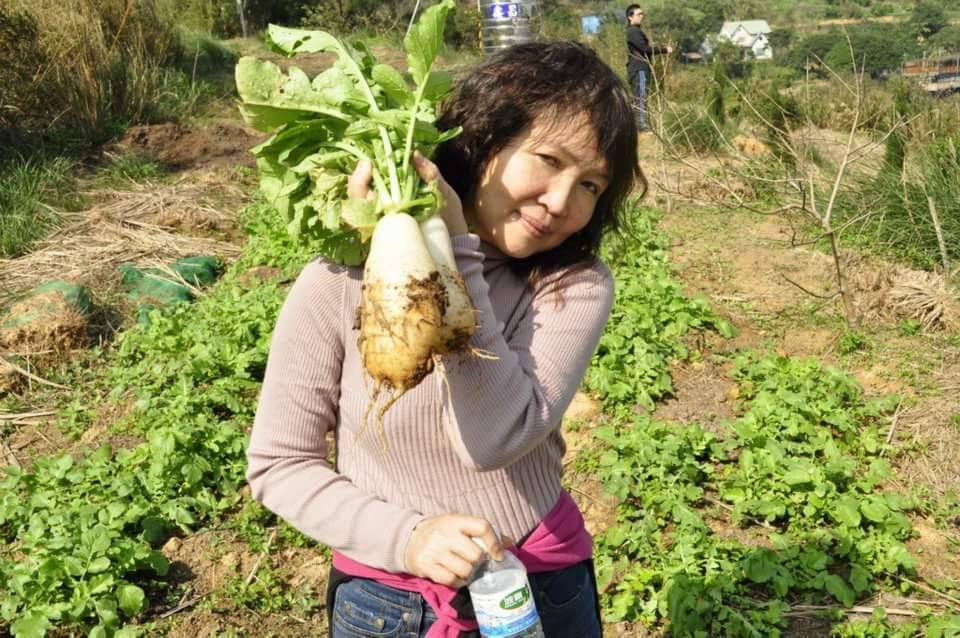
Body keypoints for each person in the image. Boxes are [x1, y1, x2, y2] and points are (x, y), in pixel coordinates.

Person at [246, 40, 644, 638]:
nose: (561, 202)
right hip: (388, 603)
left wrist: (453, 254)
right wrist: (406, 539)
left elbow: (496, 438)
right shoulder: (337, 281)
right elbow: (280, 464)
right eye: (548, 160)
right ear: (484, 141)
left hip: (540, 582)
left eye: (591, 185)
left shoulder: (572, 285)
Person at [625, 5, 673, 132]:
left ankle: (637, 125)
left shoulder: (635, 31)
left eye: (642, 14)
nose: (642, 16)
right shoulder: (633, 31)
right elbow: (645, 49)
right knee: (641, 96)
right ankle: (641, 124)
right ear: (630, 17)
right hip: (639, 68)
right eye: (638, 14)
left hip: (639, 68)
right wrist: (664, 50)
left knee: (639, 96)